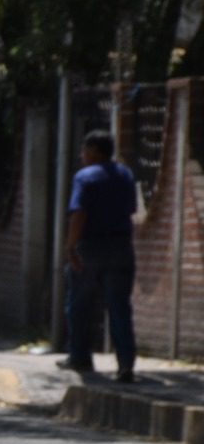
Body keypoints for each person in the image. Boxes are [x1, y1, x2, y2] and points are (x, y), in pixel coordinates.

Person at [62, 128, 139, 382]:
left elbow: (79, 213)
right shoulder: (125, 175)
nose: (82, 155)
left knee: (79, 304)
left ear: (94, 151)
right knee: (119, 307)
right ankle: (125, 363)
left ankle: (80, 356)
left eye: (84, 150)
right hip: (121, 247)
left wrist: (71, 247)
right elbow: (132, 209)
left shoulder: (85, 177)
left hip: (91, 247)